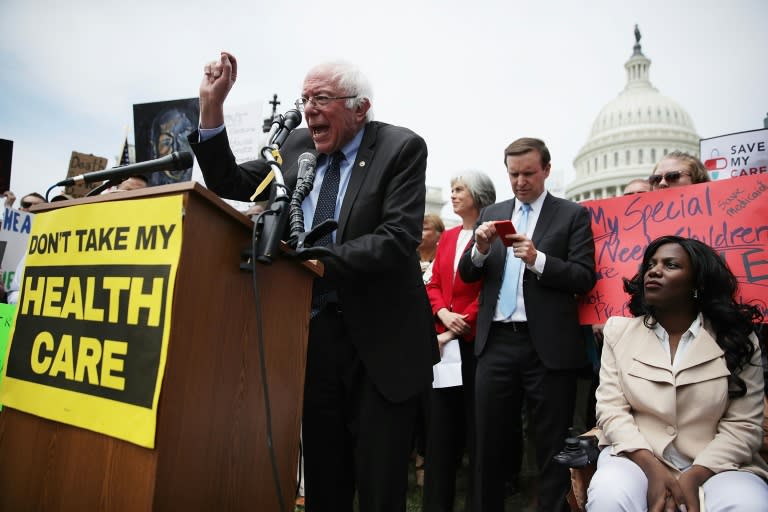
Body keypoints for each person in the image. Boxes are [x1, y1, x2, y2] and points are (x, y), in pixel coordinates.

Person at [189, 52, 438, 512]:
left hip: (382, 348)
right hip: (312, 338)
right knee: (325, 483)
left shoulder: (400, 148)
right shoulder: (298, 146)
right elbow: (228, 179)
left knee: (381, 489)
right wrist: (211, 105)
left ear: (360, 107)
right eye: (305, 98)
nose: (308, 109)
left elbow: (397, 239)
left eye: (322, 98)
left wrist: (319, 260)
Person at [458, 137, 597, 511]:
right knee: (488, 440)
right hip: (497, 343)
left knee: (552, 443)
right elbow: (467, 275)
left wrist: (539, 259)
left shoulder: (572, 215)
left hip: (547, 347)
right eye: (513, 173)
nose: (520, 181)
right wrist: (480, 250)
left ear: (547, 170)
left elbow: (585, 277)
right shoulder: (492, 214)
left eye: (528, 173)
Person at [588, 235, 768, 511]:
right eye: (651, 264)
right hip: (635, 458)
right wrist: (650, 467)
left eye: (670, 265)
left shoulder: (738, 340)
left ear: (697, 284)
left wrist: (695, 476)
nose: (654, 270)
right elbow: (611, 409)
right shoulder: (618, 332)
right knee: (609, 494)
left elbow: (744, 426)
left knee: (749, 503)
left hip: (716, 464)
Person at [423, 171, 495, 512]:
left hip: (475, 344)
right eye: (451, 189)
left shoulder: (492, 235)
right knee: (440, 430)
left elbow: (492, 291)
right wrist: (441, 316)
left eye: (459, 189)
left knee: (476, 431)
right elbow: (434, 283)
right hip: (443, 344)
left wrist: (455, 328)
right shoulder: (448, 237)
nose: (452, 195)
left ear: (478, 195)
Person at [419, 213, 445, 278]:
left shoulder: (444, 261)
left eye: (425, 229)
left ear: (440, 235)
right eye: (417, 228)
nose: (418, 232)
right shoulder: (406, 258)